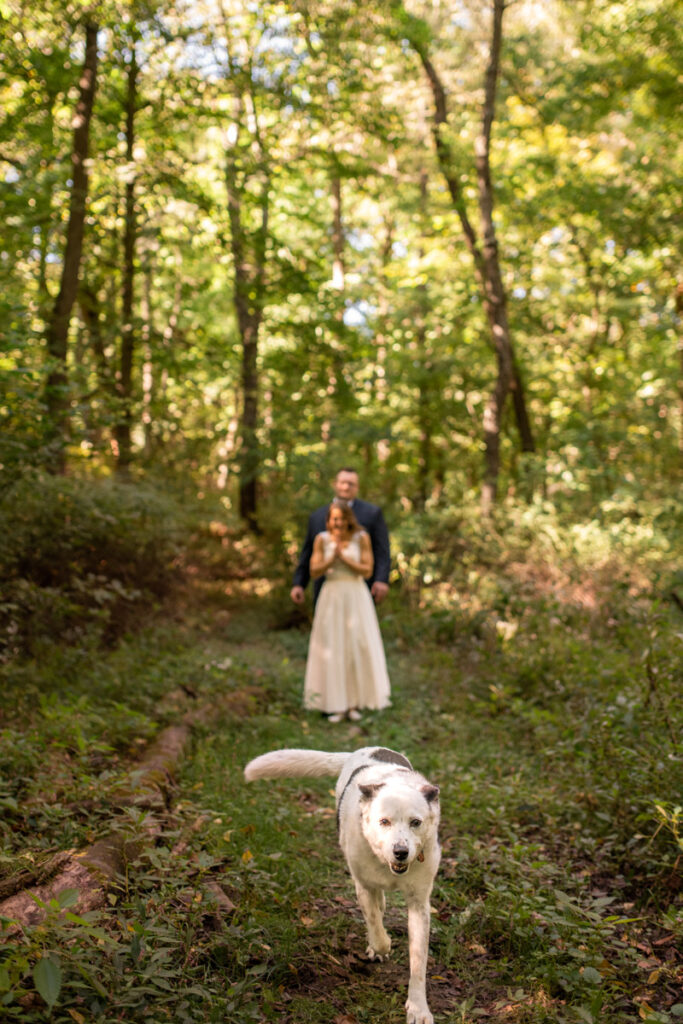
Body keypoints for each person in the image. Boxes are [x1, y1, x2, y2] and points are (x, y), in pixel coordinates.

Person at [303, 500, 391, 722]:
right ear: (329, 520)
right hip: (331, 595)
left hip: (355, 596)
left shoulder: (361, 538)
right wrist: (332, 557)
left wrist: (345, 559)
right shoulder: (321, 539)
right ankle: (335, 703)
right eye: (334, 518)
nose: (338, 522)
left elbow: (367, 569)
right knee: (332, 645)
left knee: (355, 645)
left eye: (341, 518)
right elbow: (313, 570)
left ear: (348, 519)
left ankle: (354, 703)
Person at [290, 467, 390, 608]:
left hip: (360, 587)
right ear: (335, 484)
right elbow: (307, 552)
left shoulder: (372, 513)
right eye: (343, 482)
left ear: (357, 487)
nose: (346, 487)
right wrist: (299, 583)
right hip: (326, 588)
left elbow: (382, 550)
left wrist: (381, 580)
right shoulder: (317, 516)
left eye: (351, 484)